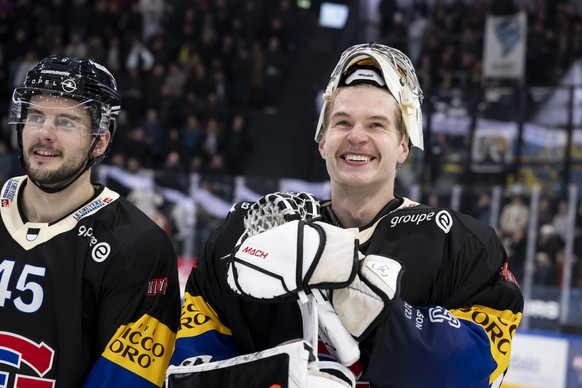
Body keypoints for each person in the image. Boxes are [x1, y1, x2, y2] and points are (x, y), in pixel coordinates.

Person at [170, 43, 524, 387]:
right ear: (322, 141)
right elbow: (186, 368)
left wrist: (362, 295)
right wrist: (276, 378)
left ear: (403, 146)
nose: (357, 137)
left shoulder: (461, 246)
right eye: (342, 122)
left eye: (376, 125)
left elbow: (476, 372)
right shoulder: (244, 236)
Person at [0, 55, 180, 387]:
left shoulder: (139, 247)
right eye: (36, 115)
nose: (45, 134)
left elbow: (126, 380)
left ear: (100, 141)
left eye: (66, 122)